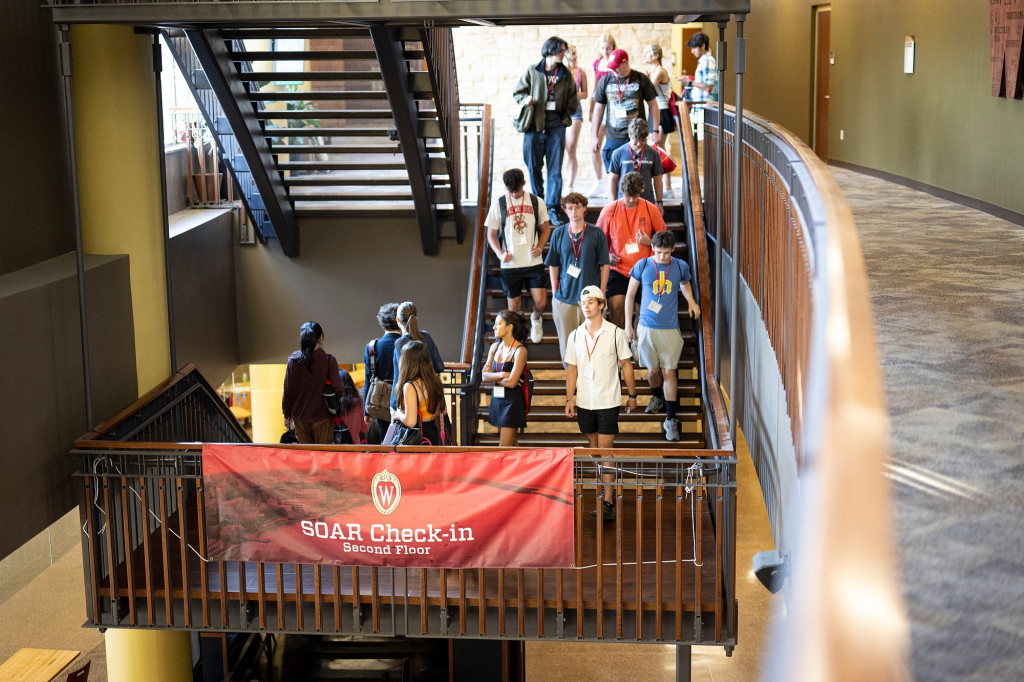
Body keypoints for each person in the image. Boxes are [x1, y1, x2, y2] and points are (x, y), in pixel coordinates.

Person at [563, 286, 638, 521]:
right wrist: (569, 398)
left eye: (591, 302)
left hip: (608, 400)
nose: (586, 306)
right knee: (594, 450)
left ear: (602, 305)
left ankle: (607, 500)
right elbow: (572, 369)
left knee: (605, 451)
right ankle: (607, 489)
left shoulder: (615, 333)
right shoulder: (575, 335)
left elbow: (626, 365)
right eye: (583, 302)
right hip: (585, 401)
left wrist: (632, 395)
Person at [622, 230, 701, 441]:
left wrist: (691, 301)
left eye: (666, 253)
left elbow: (684, 284)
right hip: (646, 327)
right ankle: (656, 397)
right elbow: (630, 296)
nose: (662, 257)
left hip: (670, 328)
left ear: (672, 250)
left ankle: (670, 419)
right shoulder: (643, 265)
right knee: (653, 371)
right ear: (653, 249)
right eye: (658, 252)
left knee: (669, 372)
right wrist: (628, 325)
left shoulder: (679, 266)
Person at [512, 36, 579, 225]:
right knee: (533, 166)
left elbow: (572, 101)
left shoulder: (565, 74)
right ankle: (537, 205)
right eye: (560, 50)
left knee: (555, 170)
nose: (562, 54)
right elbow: (518, 92)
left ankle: (553, 208)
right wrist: (526, 100)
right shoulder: (533, 70)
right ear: (550, 50)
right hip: (534, 126)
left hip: (556, 126)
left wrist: (565, 120)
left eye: (564, 51)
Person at [485, 168, 551, 344]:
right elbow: (491, 234)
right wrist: (499, 254)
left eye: (517, 190)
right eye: (510, 190)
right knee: (513, 307)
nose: (514, 194)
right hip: (510, 265)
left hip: (533, 262)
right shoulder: (499, 204)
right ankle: (517, 337)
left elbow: (546, 229)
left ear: (524, 183)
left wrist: (540, 247)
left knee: (541, 302)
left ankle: (536, 319)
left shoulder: (537, 202)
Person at [545, 191, 610, 366]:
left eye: (578, 207)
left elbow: (605, 265)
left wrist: (602, 292)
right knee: (568, 347)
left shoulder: (597, 234)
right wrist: (554, 289)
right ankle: (573, 387)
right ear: (565, 211)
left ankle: (592, 387)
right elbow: (553, 263)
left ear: (584, 209)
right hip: (565, 299)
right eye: (570, 208)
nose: (574, 211)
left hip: (591, 298)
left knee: (593, 347)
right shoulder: (558, 233)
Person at [596, 172, 668, 329]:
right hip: (619, 270)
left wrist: (650, 242)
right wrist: (606, 255)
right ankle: (622, 342)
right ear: (621, 192)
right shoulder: (610, 211)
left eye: (634, 196)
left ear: (640, 192)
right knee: (616, 305)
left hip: (645, 269)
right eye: (628, 196)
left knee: (644, 309)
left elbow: (665, 241)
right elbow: (597, 242)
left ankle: (636, 338)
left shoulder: (650, 209)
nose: (630, 200)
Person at [591, 49, 660, 176]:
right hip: (614, 134)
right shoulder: (605, 81)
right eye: (611, 68)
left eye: (615, 67)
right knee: (613, 173)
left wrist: (654, 131)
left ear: (625, 63)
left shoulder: (641, 79)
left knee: (636, 174)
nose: (613, 70)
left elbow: (654, 106)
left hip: (637, 135)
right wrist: (594, 135)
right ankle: (616, 196)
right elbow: (599, 109)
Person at [282, 321, 344, 445]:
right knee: (322, 457)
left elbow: (288, 390)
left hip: (300, 419)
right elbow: (338, 389)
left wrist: (287, 414)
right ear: (320, 337)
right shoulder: (328, 360)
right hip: (322, 417)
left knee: (307, 457)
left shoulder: (293, 361)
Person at [482, 310, 530, 446]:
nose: (494, 327)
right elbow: (484, 376)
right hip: (497, 400)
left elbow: (512, 383)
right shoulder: (494, 347)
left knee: (503, 448)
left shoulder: (520, 350)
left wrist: (494, 377)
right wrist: (503, 375)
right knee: (512, 447)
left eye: (498, 324)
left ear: (509, 327)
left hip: (512, 403)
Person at [391, 301, 445, 411]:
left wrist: (394, 404)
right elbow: (440, 367)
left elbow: (399, 375)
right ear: (416, 317)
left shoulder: (400, 343)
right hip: (431, 396)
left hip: (410, 397)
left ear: (398, 320)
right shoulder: (426, 337)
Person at [393, 341, 445, 446]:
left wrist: (398, 414)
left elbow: (411, 422)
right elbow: (443, 411)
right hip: (433, 435)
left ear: (406, 362)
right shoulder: (435, 381)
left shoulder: (411, 386)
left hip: (417, 438)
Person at [643, 43, 677, 198]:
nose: (644, 55)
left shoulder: (659, 71)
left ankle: (667, 186)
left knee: (659, 149)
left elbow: (648, 89)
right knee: (659, 148)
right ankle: (667, 185)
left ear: (655, 55)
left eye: (647, 53)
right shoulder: (653, 71)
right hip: (656, 111)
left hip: (662, 112)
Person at [363, 302, 400, 442]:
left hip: (380, 401)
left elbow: (369, 379)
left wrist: (366, 411)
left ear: (381, 322)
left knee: (386, 438)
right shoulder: (408, 344)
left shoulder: (372, 347)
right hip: (404, 399)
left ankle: (387, 463)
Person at [606, 118, 663, 208]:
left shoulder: (654, 154)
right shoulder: (618, 153)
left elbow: (658, 179)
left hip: (646, 202)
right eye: (635, 140)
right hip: (623, 202)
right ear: (629, 135)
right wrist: (612, 204)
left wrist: (660, 202)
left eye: (642, 140)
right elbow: (613, 179)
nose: (638, 144)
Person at [588, 34, 617, 197]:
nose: (605, 51)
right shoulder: (597, 63)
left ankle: (611, 180)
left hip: (613, 106)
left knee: (611, 145)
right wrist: (591, 108)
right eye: (602, 48)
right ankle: (599, 182)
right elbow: (594, 86)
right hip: (600, 105)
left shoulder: (616, 62)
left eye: (608, 48)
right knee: (595, 144)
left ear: (613, 47)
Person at [677, 32, 718, 139]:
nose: (692, 51)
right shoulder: (703, 61)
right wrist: (688, 80)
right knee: (697, 139)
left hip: (705, 106)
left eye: (694, 48)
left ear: (703, 46)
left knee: (705, 141)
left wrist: (689, 82)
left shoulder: (708, 61)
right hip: (700, 106)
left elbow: (709, 86)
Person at [563, 45, 588, 194]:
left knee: (571, 148)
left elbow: (584, 94)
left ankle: (570, 184)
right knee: (561, 149)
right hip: (560, 112)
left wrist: (569, 97)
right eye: (572, 53)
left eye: (576, 53)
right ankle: (562, 181)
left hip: (575, 111)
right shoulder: (560, 72)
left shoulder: (580, 72)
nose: (575, 56)